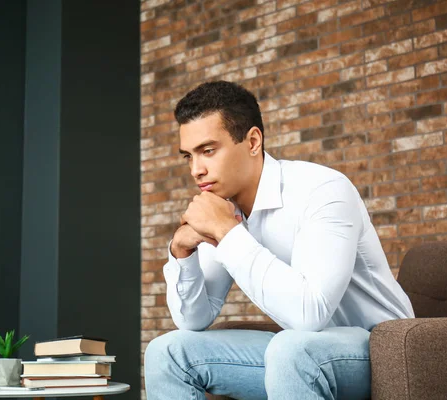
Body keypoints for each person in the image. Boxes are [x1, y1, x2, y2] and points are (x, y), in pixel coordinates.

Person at [144, 81, 414, 400]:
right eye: (188, 156)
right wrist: (181, 252)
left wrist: (227, 233)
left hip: (383, 350)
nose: (196, 170)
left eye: (208, 151)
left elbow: (309, 314)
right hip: (299, 355)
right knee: (167, 352)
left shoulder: (323, 190)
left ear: (253, 141)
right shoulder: (225, 210)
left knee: (290, 349)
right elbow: (193, 318)